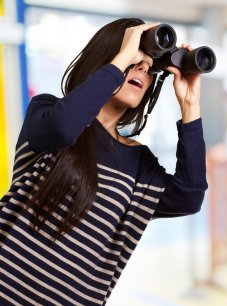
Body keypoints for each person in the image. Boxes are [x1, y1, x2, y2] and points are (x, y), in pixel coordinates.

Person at [0, 18, 208, 305]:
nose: (142, 68)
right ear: (108, 59)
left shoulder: (138, 163)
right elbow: (63, 126)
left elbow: (189, 197)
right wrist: (123, 57)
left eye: (149, 67)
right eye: (135, 59)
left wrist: (190, 106)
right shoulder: (47, 111)